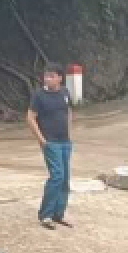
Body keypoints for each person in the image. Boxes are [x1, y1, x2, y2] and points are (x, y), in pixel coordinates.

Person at [27, 65, 74, 230]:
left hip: (65, 141)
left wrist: (69, 133)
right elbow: (30, 118)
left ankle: (58, 214)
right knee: (57, 176)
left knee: (65, 178)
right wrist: (41, 139)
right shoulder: (39, 96)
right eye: (46, 76)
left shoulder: (65, 93)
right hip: (50, 142)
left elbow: (68, 112)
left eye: (51, 76)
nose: (48, 79)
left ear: (60, 78)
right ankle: (45, 214)